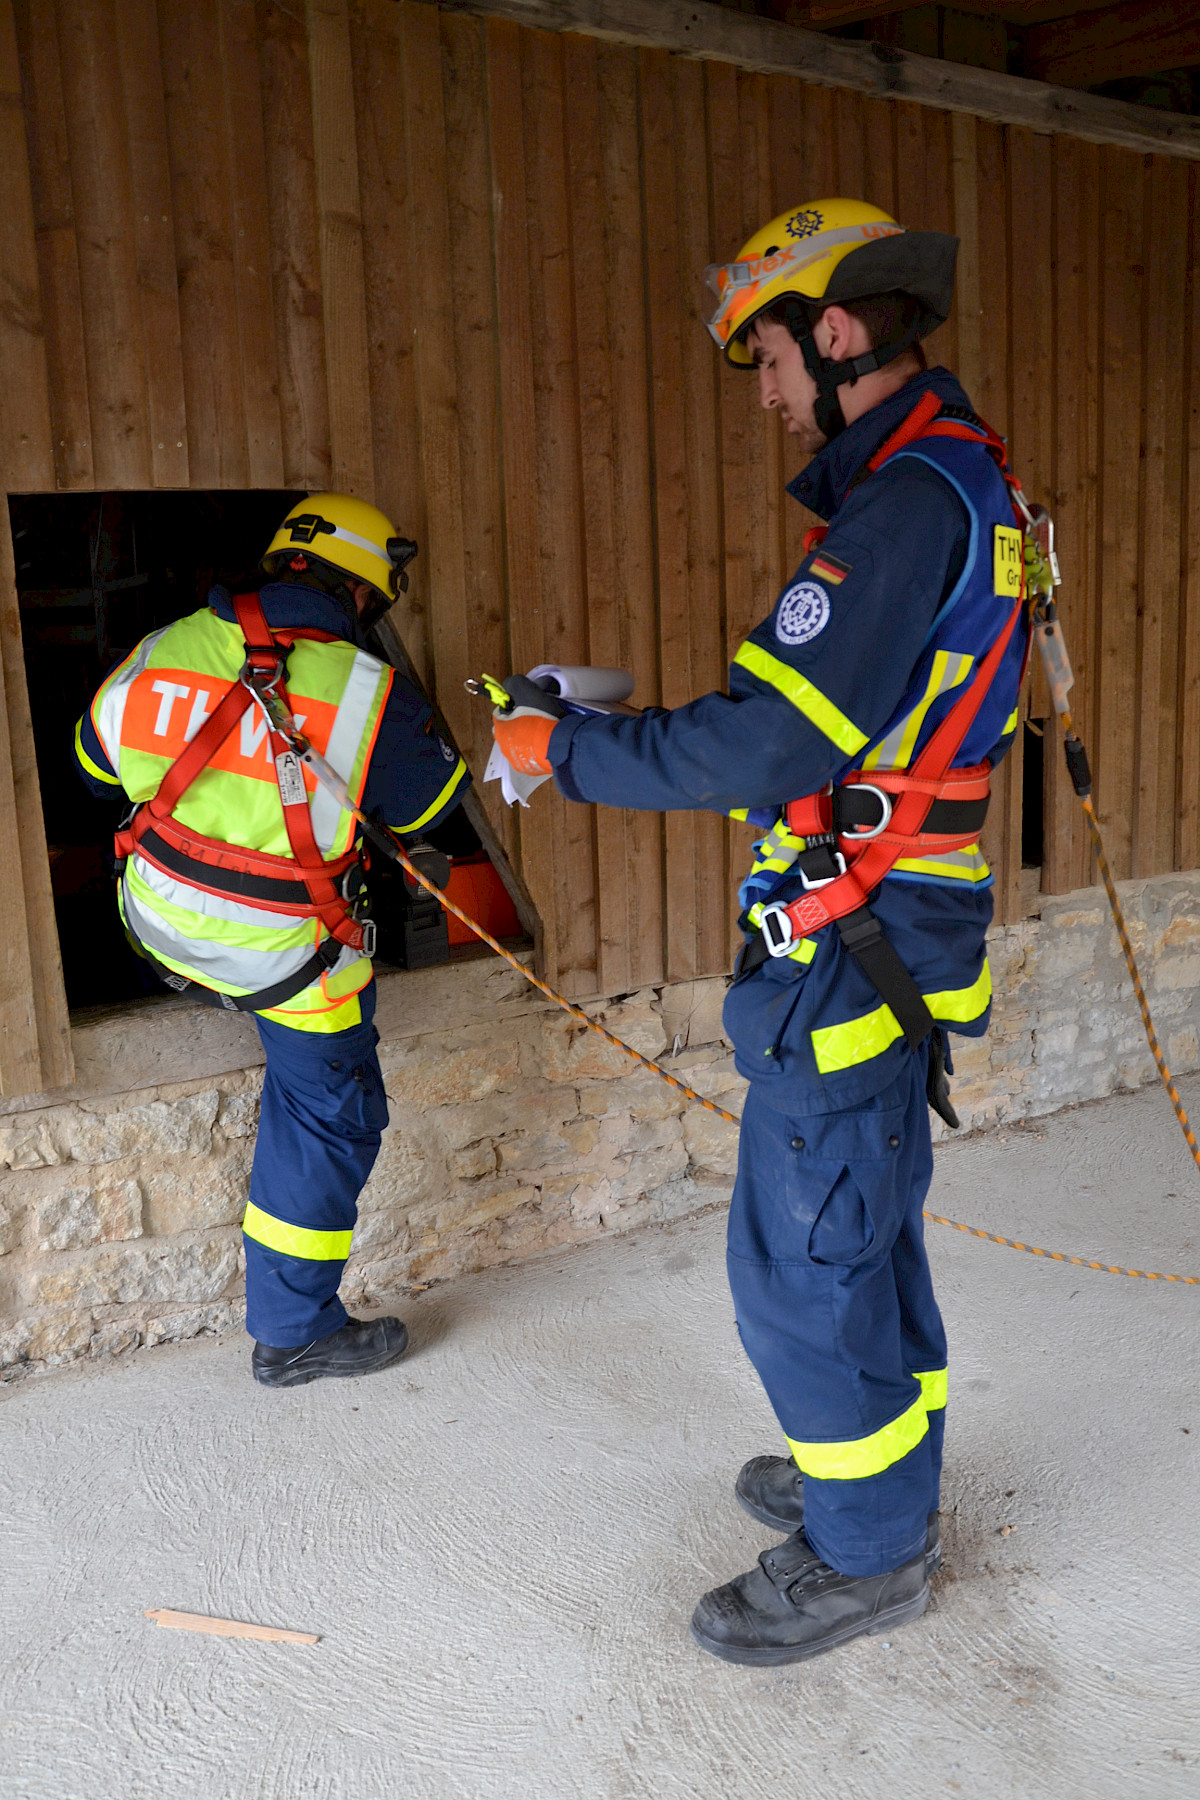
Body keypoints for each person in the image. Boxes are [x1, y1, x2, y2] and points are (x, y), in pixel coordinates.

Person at [492, 199, 1031, 1664]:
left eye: (770, 358)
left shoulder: (905, 505)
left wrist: (560, 753)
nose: (770, 390)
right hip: (894, 929)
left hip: (853, 945)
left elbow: (759, 749)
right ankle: (874, 1479)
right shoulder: (956, 481)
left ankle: (866, 1555)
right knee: (864, 1233)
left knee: (805, 1262)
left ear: (839, 329)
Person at [74, 494, 470, 1387]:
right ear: (361, 595)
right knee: (331, 1115)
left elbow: (95, 770)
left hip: (157, 921)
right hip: (286, 955)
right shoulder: (369, 691)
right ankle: (295, 1331)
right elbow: (431, 811)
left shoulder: (168, 647)